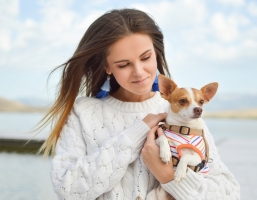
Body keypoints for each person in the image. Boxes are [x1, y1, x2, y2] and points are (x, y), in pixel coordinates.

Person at [39, 8, 240, 200]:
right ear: (107, 67)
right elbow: (67, 190)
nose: (139, 72)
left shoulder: (181, 113)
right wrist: (134, 134)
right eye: (124, 64)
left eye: (146, 57)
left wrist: (169, 177)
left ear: (156, 53)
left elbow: (229, 193)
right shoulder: (83, 113)